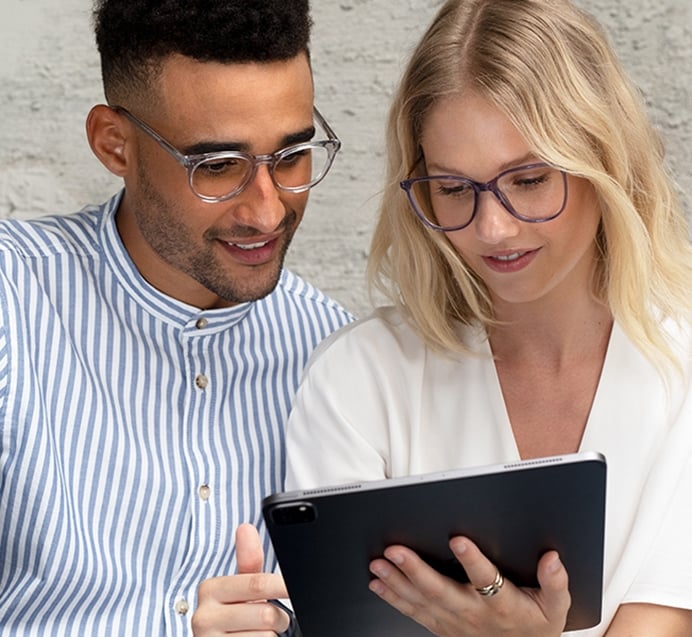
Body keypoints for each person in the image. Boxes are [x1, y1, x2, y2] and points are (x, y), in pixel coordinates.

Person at [282, 0, 692, 635]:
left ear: (605, 161)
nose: (493, 228)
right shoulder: (359, 379)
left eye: (528, 179)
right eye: (452, 189)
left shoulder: (681, 366)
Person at [0, 1, 354, 635]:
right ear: (116, 144)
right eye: (217, 167)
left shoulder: (334, 357)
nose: (268, 211)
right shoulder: (13, 303)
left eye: (292, 155)